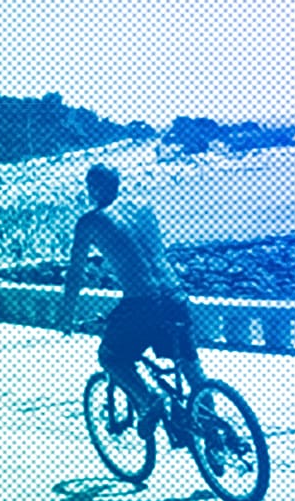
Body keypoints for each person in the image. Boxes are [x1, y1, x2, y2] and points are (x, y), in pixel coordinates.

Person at [54, 163, 206, 442]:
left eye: (89, 188)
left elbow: (75, 272)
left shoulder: (91, 220)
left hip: (141, 304)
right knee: (193, 373)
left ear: (95, 188)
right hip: (175, 295)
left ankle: (149, 399)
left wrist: (67, 315)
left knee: (110, 357)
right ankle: (217, 440)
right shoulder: (144, 208)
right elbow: (149, 251)